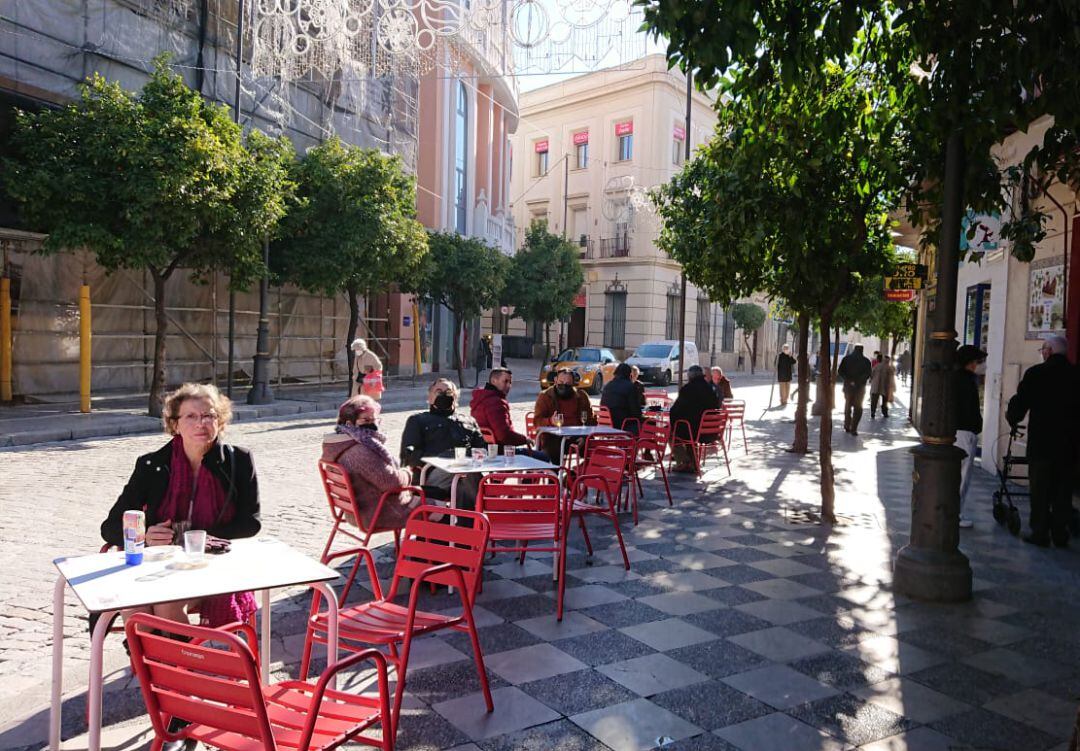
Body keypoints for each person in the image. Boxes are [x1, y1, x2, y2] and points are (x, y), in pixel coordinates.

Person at [101, 383, 260, 628]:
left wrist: (199, 539)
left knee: (167, 603)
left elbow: (250, 523)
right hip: (159, 563)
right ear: (175, 424)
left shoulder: (237, 461)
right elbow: (110, 527)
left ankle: (177, 662)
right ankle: (149, 664)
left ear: (220, 421)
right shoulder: (151, 465)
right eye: (191, 416)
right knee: (135, 605)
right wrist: (144, 537)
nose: (201, 423)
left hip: (212, 563)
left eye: (209, 415)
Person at [1006, 334, 1078, 548]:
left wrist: (1012, 418)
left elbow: (1020, 403)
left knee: (1040, 490)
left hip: (1042, 443)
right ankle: (1060, 533)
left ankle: (1040, 533)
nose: (1042, 353)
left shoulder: (1036, 373)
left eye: (1043, 349)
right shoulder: (1076, 375)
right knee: (1063, 491)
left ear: (1049, 351)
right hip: (1069, 445)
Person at [322, 395, 419, 532]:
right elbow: (392, 483)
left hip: (359, 510)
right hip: (378, 512)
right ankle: (428, 551)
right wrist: (408, 472)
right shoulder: (359, 450)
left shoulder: (342, 443)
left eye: (374, 419)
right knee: (439, 508)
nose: (373, 424)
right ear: (350, 423)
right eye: (366, 420)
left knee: (427, 498)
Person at [401, 378, 486, 508]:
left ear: (455, 397)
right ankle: (482, 513)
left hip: (466, 473)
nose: (443, 395)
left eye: (448, 392)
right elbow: (408, 456)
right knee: (468, 475)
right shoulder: (418, 420)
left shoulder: (468, 421)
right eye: (439, 391)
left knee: (466, 483)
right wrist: (444, 457)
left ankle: (468, 523)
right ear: (430, 397)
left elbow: (482, 450)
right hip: (434, 473)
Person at [470, 367, 546, 458]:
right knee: (545, 457)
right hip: (502, 453)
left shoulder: (480, 399)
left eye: (510, 382)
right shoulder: (495, 403)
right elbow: (504, 435)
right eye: (505, 381)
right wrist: (525, 439)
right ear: (494, 381)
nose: (508, 385)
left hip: (487, 450)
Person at [953, 345, 987, 529]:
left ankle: (953, 512)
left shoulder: (958, 378)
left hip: (959, 431)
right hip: (965, 432)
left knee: (957, 475)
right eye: (978, 362)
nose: (980, 365)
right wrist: (976, 425)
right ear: (970, 363)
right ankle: (956, 514)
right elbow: (970, 409)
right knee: (963, 476)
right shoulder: (966, 381)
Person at [533, 368, 596, 460]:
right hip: (553, 437)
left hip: (577, 436)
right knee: (553, 450)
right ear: (555, 380)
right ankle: (554, 473)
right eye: (561, 382)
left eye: (568, 384)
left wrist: (584, 436)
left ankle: (583, 472)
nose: (564, 386)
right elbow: (537, 421)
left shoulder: (581, 396)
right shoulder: (545, 396)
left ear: (573, 383)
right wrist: (550, 421)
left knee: (593, 449)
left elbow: (591, 420)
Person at [669, 365, 721, 472]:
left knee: (671, 431)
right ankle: (693, 463)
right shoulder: (710, 389)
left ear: (690, 376)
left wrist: (673, 421)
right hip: (711, 431)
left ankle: (684, 461)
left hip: (694, 430)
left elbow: (675, 411)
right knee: (688, 429)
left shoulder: (687, 389)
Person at [838, 343, 872, 435]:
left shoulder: (846, 359)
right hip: (860, 387)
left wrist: (848, 380)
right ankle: (854, 428)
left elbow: (840, 371)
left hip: (848, 386)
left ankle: (847, 424)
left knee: (848, 406)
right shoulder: (866, 361)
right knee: (858, 407)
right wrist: (859, 381)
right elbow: (868, 374)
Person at [600, 362, 642, 433]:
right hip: (624, 425)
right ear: (629, 375)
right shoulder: (630, 387)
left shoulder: (607, 386)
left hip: (607, 425)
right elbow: (636, 412)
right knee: (651, 425)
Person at [869, 352, 897, 419]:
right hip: (885, 386)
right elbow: (891, 377)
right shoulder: (889, 367)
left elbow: (871, 375)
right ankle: (885, 413)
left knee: (874, 400)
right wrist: (893, 386)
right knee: (884, 401)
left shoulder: (877, 366)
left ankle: (873, 412)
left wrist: (871, 380)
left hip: (875, 386)